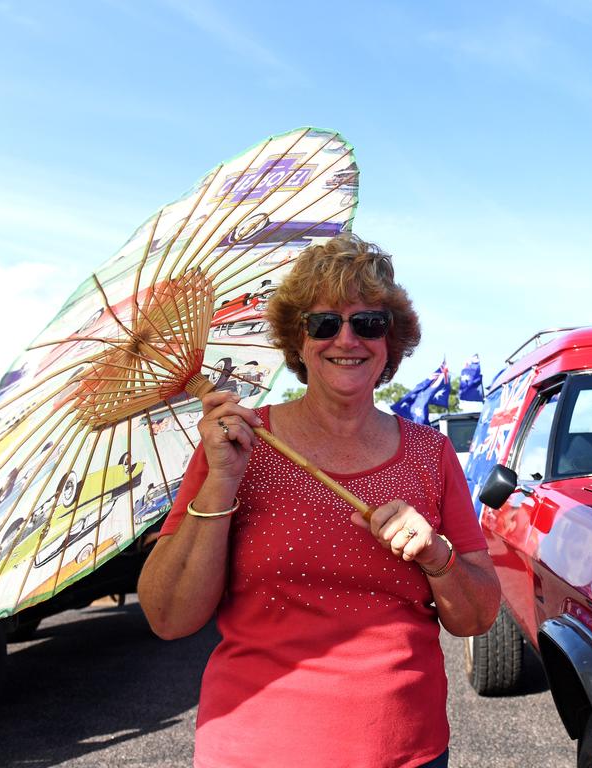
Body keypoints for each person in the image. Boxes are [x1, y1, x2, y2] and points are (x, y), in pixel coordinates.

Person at [138, 233, 501, 768]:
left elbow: (477, 618)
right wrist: (221, 481)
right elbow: (169, 616)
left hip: (405, 751)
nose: (346, 339)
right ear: (299, 342)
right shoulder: (238, 443)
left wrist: (437, 557)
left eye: (368, 323)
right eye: (324, 323)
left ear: (391, 339)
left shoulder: (431, 452)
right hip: (254, 751)